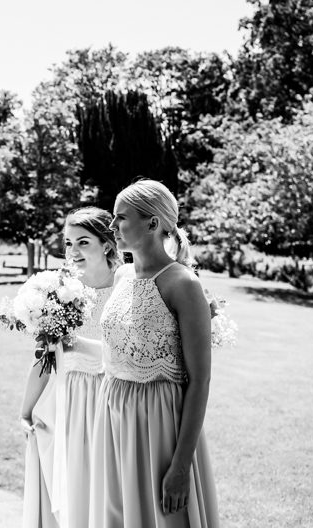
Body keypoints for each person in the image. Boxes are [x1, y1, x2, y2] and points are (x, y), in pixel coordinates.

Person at [90, 180, 218, 528]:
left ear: (153, 223)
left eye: (121, 218)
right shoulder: (122, 276)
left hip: (158, 422)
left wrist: (180, 466)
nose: (112, 226)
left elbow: (200, 381)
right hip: (114, 414)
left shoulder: (183, 284)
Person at [17, 207, 121, 528]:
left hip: (110, 402)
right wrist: (26, 411)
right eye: (67, 243)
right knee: (64, 494)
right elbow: (43, 357)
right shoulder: (58, 291)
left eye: (83, 242)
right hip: (65, 401)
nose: (72, 251)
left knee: (105, 492)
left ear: (107, 244)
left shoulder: (125, 287)